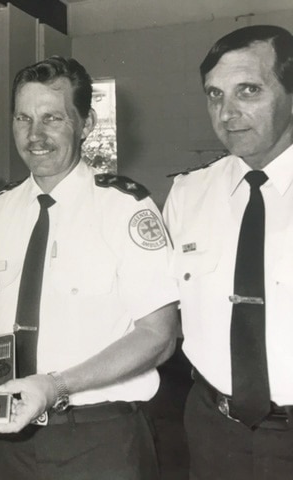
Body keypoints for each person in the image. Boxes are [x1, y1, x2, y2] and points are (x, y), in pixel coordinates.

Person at [0, 56, 179, 480]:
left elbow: (158, 336)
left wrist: (55, 386)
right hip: (6, 436)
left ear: (86, 123)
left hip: (98, 438)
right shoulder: (1, 209)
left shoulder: (124, 207)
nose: (34, 135)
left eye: (52, 118)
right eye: (23, 118)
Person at [163, 25, 293, 479]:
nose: (227, 112)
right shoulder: (188, 194)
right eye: (214, 94)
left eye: (249, 90)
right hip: (213, 427)